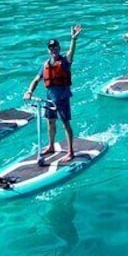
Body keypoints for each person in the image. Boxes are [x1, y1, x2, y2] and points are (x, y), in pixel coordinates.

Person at [24, 24, 82, 162]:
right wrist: (29, 91)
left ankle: (71, 152)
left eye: (55, 47)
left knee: (65, 124)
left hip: (62, 97)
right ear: (48, 50)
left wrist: (73, 39)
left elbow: (71, 53)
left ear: (59, 48)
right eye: (51, 48)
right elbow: (36, 79)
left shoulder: (64, 62)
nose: (53, 49)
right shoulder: (46, 64)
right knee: (50, 122)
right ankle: (51, 145)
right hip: (49, 97)